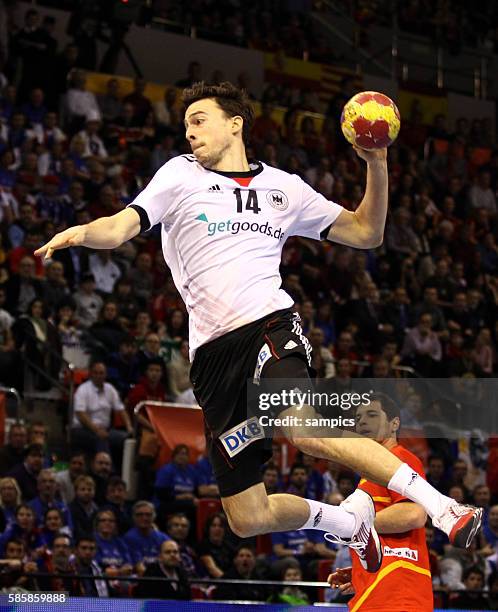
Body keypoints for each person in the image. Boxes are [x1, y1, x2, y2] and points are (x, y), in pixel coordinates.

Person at [35, 81, 481, 572]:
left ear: (235, 124)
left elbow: (367, 232)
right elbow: (121, 226)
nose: (190, 133)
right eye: (186, 126)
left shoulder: (284, 188)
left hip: (269, 326)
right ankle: (348, 523)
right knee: (248, 516)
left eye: (199, 120)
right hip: (211, 359)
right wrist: (81, 231)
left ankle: (444, 506)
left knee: (302, 428)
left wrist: (376, 162)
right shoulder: (179, 176)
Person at [328, 393, 433, 612]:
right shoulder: (370, 474)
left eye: (372, 415)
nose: (362, 422)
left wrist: (353, 525)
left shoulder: (400, 460)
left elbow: (414, 514)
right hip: (375, 595)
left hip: (398, 598)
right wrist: (360, 570)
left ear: (394, 423)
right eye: (358, 418)